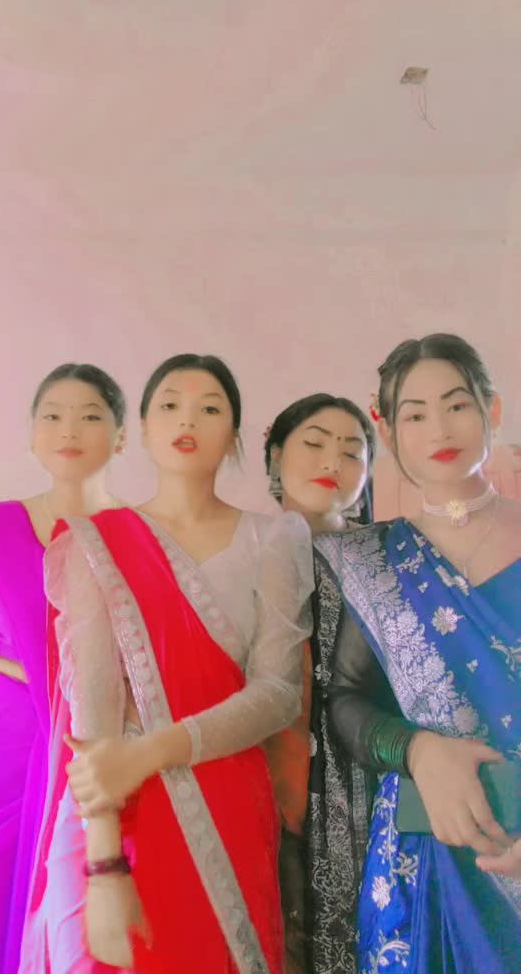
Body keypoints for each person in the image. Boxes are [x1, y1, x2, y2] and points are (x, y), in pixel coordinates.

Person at [20, 353, 314, 974]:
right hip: (114, 814)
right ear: (144, 430)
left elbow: (278, 693)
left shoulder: (273, 539)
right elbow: (93, 714)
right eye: (170, 406)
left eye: (210, 408)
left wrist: (152, 751)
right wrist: (104, 864)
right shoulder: (95, 541)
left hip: (226, 795)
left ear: (234, 436)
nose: (188, 420)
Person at [317, 334, 521, 973]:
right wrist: (419, 750)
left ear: (491, 408)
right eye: (414, 414)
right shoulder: (375, 560)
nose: (439, 428)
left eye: (457, 405)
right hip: (423, 857)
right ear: (388, 431)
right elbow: (346, 699)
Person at [0, 363, 126, 974]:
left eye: (90, 415)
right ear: (31, 435)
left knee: (68, 927)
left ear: (121, 437)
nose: (68, 428)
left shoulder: (144, 535)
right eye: (52, 415)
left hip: (94, 756)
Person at [264, 394, 389, 974]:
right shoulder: (243, 548)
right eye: (314, 443)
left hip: (368, 774)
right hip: (268, 773)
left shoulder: (387, 558)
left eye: (352, 452)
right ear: (275, 456)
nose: (331, 461)